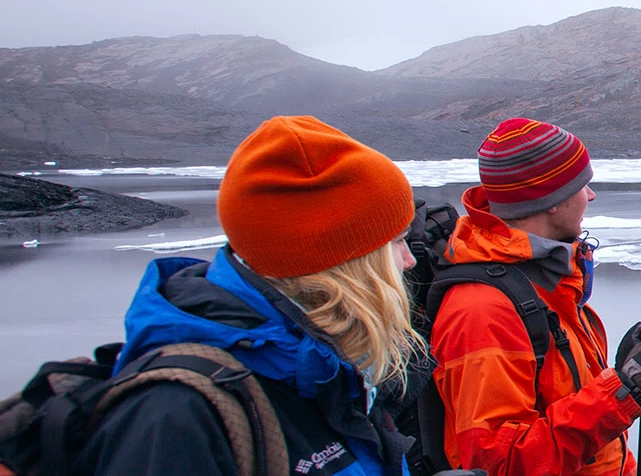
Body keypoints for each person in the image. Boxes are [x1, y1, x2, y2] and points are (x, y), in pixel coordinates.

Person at [80, 116, 422, 475]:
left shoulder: (326, 365)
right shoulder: (177, 417)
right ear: (341, 263)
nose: (410, 260)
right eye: (397, 243)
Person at [427, 118, 641, 476]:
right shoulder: (483, 311)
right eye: (581, 185)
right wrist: (623, 394)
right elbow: (500, 464)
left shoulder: (550, 283)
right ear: (551, 201)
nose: (590, 196)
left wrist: (621, 377)